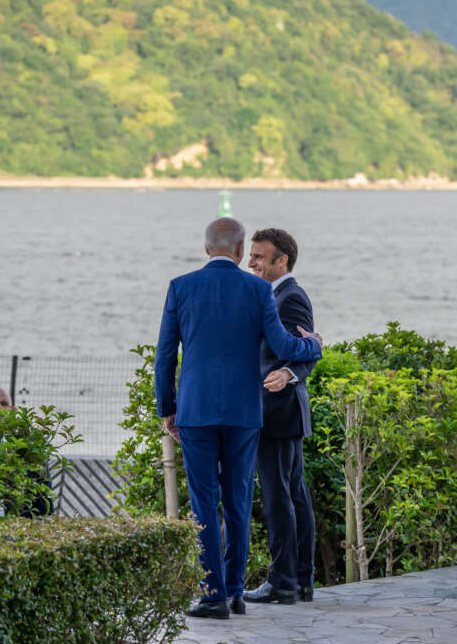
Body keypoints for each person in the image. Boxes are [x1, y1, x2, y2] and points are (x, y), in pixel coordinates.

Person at [155, 217, 323, 620]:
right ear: (238, 247)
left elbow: (165, 355)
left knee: (203, 504)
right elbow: (283, 344)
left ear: (206, 247)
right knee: (237, 503)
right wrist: (312, 346)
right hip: (245, 413)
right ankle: (233, 594)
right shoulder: (257, 289)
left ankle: (210, 594)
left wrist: (168, 409)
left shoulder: (181, 287)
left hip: (195, 412)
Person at [243, 228, 317, 605]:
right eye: (252, 254)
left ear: (281, 260)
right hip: (282, 413)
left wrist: (290, 372)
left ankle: (284, 582)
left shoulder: (289, 298)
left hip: (276, 412)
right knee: (294, 496)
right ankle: (300, 581)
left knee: (278, 499)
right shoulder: (277, 295)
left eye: (258, 256)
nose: (251, 261)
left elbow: (302, 349)